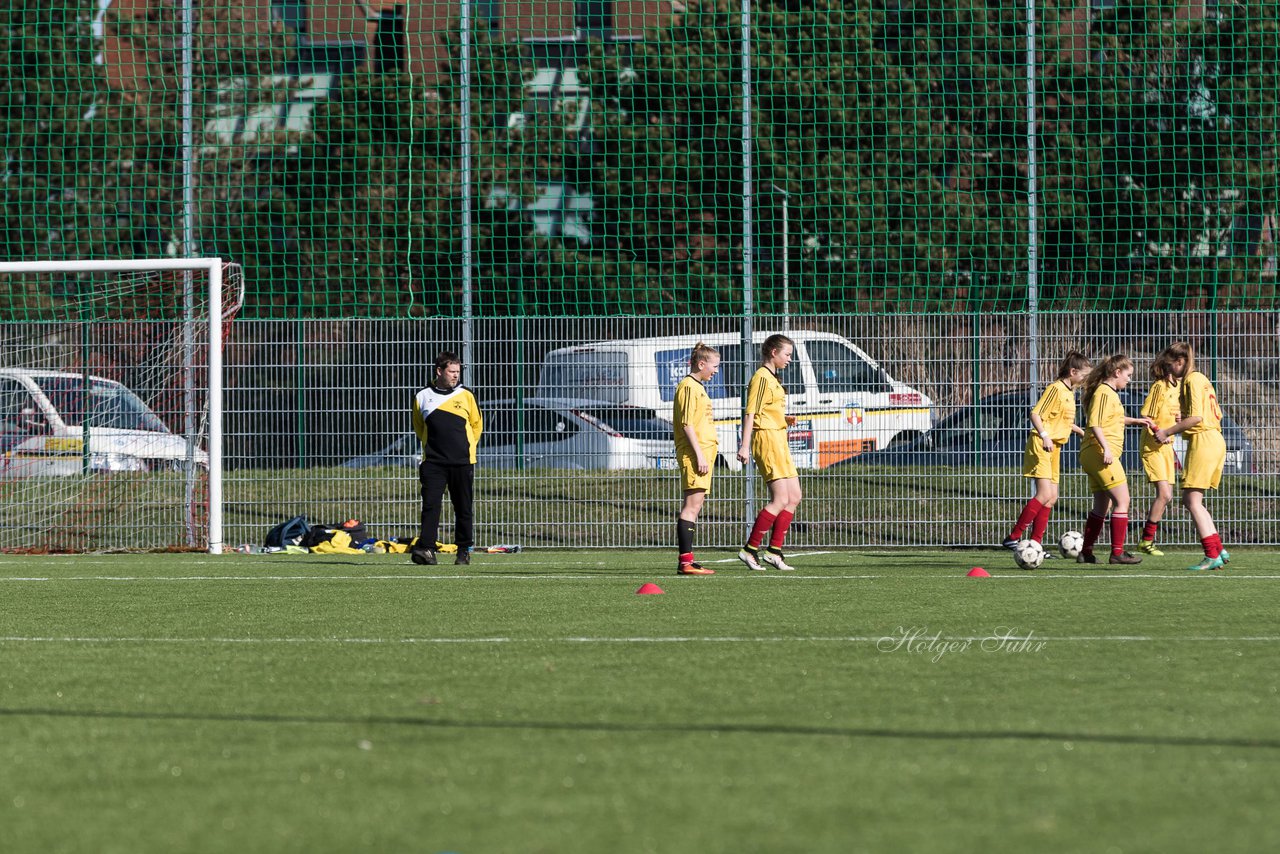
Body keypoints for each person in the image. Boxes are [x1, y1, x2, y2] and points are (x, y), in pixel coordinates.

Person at [1154, 343, 1231, 571]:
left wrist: (1166, 431)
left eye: (1170, 365)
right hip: (1215, 439)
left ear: (1180, 361)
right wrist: (1184, 418)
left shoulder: (1190, 380)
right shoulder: (1203, 379)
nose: (1170, 371)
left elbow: (1196, 418)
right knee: (1194, 500)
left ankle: (1211, 554)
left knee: (1191, 501)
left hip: (1204, 441)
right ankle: (1218, 549)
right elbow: (1209, 414)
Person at [1003, 351, 1090, 549]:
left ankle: (1035, 544)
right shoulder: (1056, 389)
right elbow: (1035, 414)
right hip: (1042, 444)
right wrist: (1044, 435)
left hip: (1055, 447)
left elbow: (1064, 422)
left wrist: (1082, 432)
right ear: (1073, 371)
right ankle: (1013, 536)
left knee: (1051, 498)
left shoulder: (1069, 392)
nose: (1086, 380)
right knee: (1043, 494)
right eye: (1084, 375)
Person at [1076, 354, 1156, 566]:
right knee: (1123, 501)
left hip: (1094, 453)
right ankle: (1117, 553)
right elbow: (1095, 424)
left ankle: (1086, 552)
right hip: (1100, 453)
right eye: (1128, 375)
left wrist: (1136, 420)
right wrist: (1106, 449)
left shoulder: (1108, 393)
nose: (1129, 380)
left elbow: (1113, 418)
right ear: (1116, 372)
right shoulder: (1104, 392)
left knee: (1102, 506)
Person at [410, 351, 483, 566]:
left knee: (463, 507)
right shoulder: (422, 396)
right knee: (431, 506)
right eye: (451, 372)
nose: (455, 376)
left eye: (458, 372)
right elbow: (419, 426)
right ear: (439, 371)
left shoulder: (466, 395)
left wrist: (466, 448)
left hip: (462, 461)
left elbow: (476, 425)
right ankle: (427, 549)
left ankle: (463, 550)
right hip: (433, 462)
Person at [737, 334, 801, 571]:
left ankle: (774, 551)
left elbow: (767, 409)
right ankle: (750, 549)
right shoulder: (761, 377)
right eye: (787, 354)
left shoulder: (773, 378)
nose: (789, 359)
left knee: (794, 496)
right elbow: (750, 413)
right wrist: (744, 445)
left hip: (779, 437)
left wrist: (783, 418)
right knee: (780, 499)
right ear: (773, 352)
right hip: (767, 439)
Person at [673, 343, 721, 576]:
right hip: (695, 455)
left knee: (696, 506)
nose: (716, 371)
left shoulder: (697, 387)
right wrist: (699, 454)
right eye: (714, 366)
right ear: (701, 364)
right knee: (691, 507)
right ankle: (685, 563)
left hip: (702, 453)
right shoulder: (688, 387)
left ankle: (688, 561)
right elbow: (687, 424)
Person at [1136, 346, 1184, 556]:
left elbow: (1177, 413)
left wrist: (1180, 419)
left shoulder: (1180, 386)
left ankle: (1146, 541)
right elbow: (1146, 415)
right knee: (1164, 494)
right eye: (1180, 362)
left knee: (1167, 496)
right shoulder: (1159, 387)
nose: (1184, 366)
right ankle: (1146, 541)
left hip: (1167, 447)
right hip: (1152, 447)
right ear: (1170, 364)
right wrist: (1158, 430)